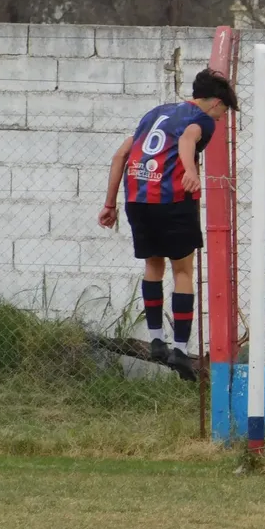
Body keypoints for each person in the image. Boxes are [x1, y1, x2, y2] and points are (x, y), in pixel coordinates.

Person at [98, 68, 238, 381]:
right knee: (184, 271)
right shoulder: (200, 120)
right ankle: (179, 347)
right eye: (223, 112)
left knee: (153, 267)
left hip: (138, 200)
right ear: (215, 103)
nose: (220, 120)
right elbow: (189, 139)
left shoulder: (156, 112)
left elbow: (121, 154)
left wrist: (110, 204)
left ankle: (157, 339)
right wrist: (190, 171)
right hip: (173, 200)